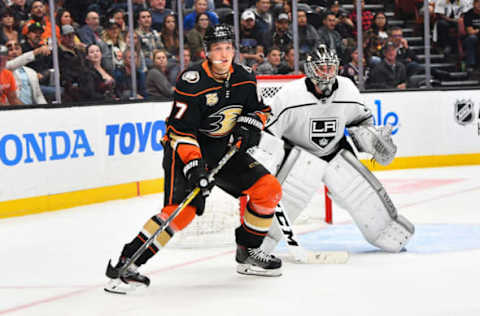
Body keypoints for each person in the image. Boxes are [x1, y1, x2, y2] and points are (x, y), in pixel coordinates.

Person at [105, 24, 283, 294]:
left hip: (224, 148)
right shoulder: (191, 82)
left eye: (228, 48)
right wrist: (194, 167)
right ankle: (127, 261)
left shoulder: (246, 76)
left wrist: (249, 126)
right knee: (182, 211)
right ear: (206, 53)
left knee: (268, 189)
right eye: (217, 50)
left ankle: (248, 252)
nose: (224, 55)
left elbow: (260, 110)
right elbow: (180, 131)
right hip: (184, 149)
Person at [255, 44, 414, 260]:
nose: (327, 73)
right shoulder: (289, 95)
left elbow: (362, 120)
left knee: (366, 199)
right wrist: (266, 163)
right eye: (322, 68)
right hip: (297, 156)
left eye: (331, 68)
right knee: (286, 200)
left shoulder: (347, 89)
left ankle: (385, 232)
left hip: (335, 153)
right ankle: (257, 243)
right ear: (310, 69)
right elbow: (270, 134)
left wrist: (371, 138)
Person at [6, 39, 46, 104]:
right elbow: (13, 64)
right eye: (10, 49)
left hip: (31, 110)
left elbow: (38, 96)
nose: (14, 52)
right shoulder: (4, 69)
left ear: (21, 50)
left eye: (17, 48)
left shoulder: (31, 72)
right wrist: (36, 52)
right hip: (13, 110)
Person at [463, 0, 480, 72]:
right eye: (478, 2)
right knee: (472, 38)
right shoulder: (468, 14)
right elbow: (470, 32)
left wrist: (476, 30)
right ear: (474, 4)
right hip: (470, 38)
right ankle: (471, 64)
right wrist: (478, 31)